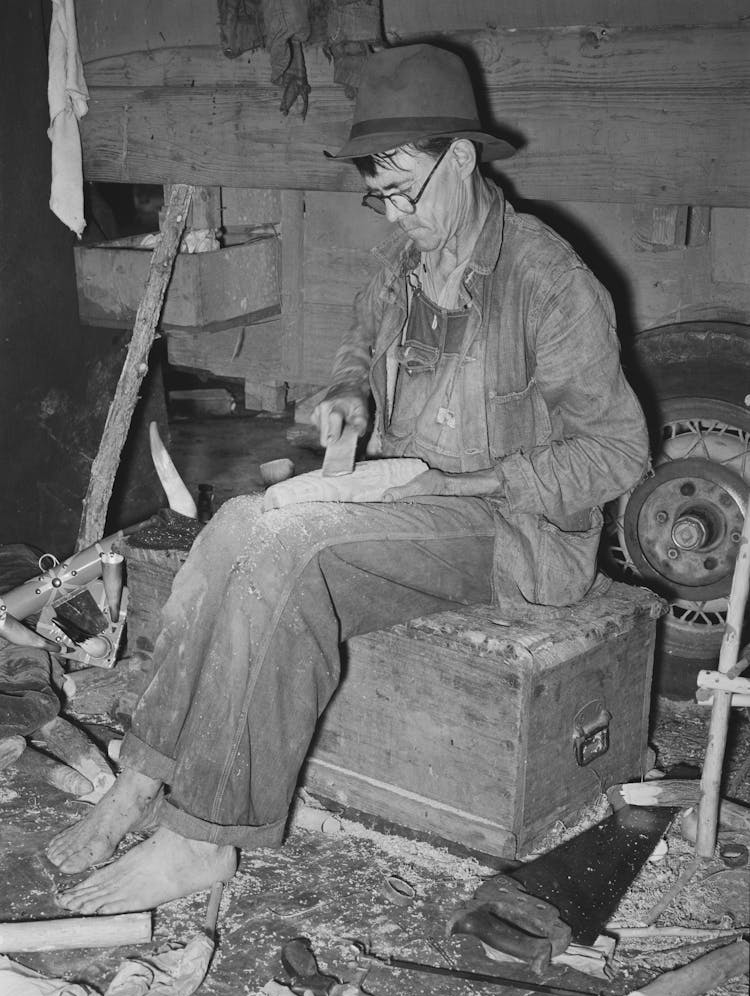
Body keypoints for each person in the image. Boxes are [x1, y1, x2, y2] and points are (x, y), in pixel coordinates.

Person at [48, 44, 649, 914]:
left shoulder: (548, 281)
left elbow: (618, 453)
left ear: (462, 159)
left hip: (509, 529)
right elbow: (357, 347)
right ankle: (145, 776)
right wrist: (348, 397)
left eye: (405, 189)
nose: (396, 214)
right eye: (380, 195)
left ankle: (204, 839)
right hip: (403, 500)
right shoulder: (407, 263)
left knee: (294, 548)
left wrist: (473, 484)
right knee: (238, 525)